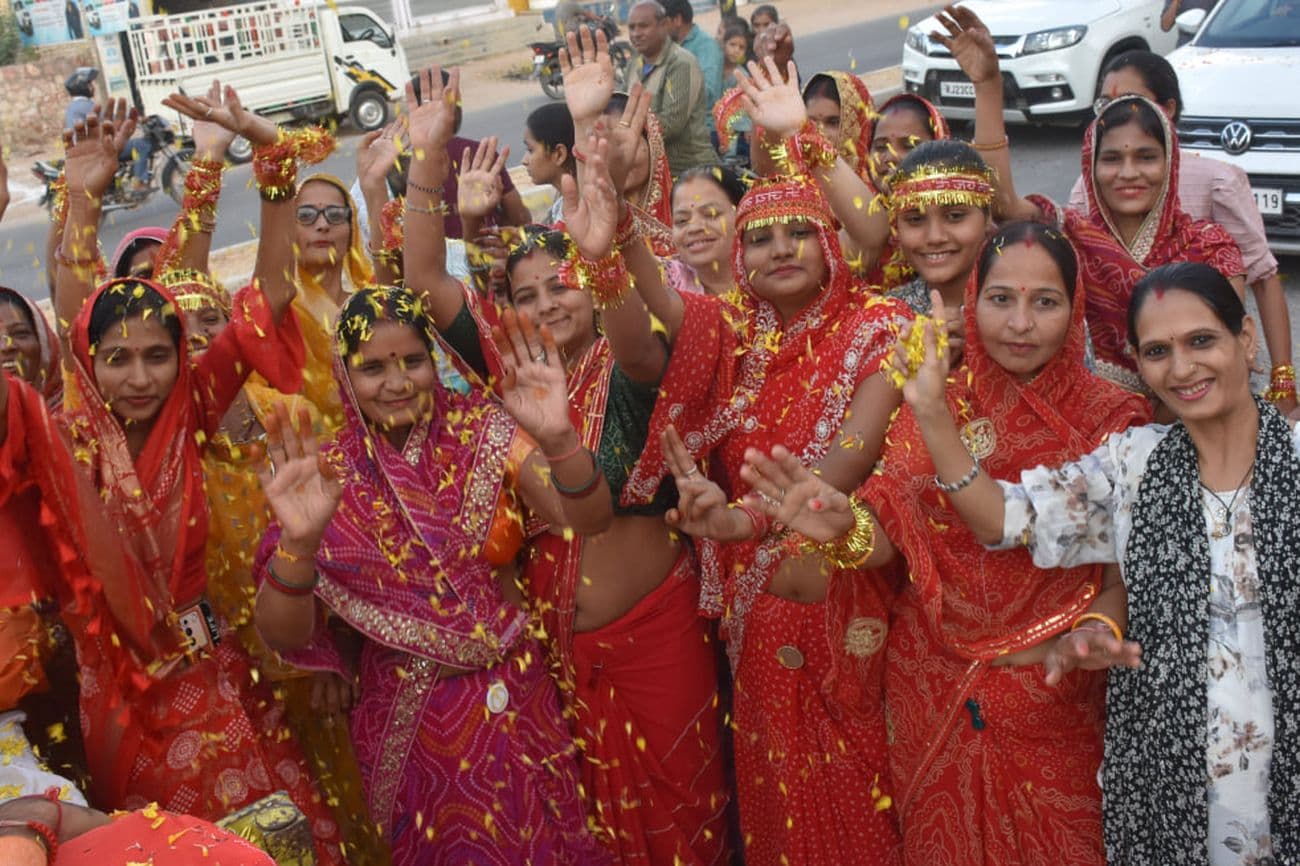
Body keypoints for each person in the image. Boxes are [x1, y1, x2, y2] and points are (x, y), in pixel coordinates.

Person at [740, 222, 1152, 865]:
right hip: (931, 683)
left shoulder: (1114, 418)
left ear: (1074, 313)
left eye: (1044, 302)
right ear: (974, 300)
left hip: (1055, 685)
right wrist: (842, 531)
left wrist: (1098, 622)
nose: (1019, 322)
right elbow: (891, 536)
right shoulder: (938, 398)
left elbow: (1129, 564)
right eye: (1000, 299)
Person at [1, 90, 343, 860]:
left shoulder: (192, 408)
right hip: (117, 693)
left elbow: (274, 293)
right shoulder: (66, 436)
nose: (140, 377)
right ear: (88, 363)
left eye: (159, 354)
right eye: (117, 358)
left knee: (271, 839)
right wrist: (83, 202)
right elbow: (74, 296)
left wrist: (269, 160)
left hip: (212, 672)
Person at [403, 65, 732, 866]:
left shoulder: (631, 366)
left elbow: (629, 329)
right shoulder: (512, 368)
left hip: (658, 632)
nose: (550, 304)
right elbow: (422, 280)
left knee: (690, 812)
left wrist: (603, 234)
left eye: (565, 285)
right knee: (600, 826)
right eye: (530, 292)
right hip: (561, 647)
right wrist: (425, 163)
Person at [888, 261, 1299, 865]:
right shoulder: (1133, 465)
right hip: (1165, 792)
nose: (1181, 368)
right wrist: (931, 412)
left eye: (1202, 341)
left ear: (1246, 339)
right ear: (1136, 360)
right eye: (1158, 350)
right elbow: (1003, 518)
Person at [251, 287, 615, 866]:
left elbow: (586, 517)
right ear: (344, 376)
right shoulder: (326, 475)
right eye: (372, 368)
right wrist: (298, 544)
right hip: (411, 722)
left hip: (521, 697)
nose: (397, 383)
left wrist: (559, 439)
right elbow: (285, 634)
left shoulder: (486, 430)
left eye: (412, 361)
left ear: (433, 360)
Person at [619, 172, 910, 866]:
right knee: (780, 799)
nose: (781, 250)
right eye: (759, 238)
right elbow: (655, 305)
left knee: (865, 792)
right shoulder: (733, 333)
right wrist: (623, 236)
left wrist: (745, 521)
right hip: (758, 620)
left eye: (800, 232)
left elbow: (850, 457)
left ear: (832, 242)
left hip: (851, 597)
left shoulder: (884, 326)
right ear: (737, 254)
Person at [935, 5, 1244, 396]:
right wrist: (988, 86)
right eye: (1112, 159)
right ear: (1090, 166)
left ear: (1171, 161)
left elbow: (1228, 353)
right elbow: (1002, 205)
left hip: (1192, 414)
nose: (1129, 173)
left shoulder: (1210, 246)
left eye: (1146, 157)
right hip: (1090, 426)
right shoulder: (1071, 236)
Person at [1069, 50, 1294, 412]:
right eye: (1106, 103)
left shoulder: (1216, 182)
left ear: (1166, 109)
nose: (1128, 172)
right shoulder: (1094, 183)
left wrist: (1283, 383)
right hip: (1103, 408)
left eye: (1130, 100)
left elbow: (1263, 279)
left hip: (1190, 392)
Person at [622, 1, 718, 174]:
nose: (636, 34)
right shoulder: (634, 63)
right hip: (651, 170)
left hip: (688, 171)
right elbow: (621, 105)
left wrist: (623, 128)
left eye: (643, 26)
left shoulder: (681, 62)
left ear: (664, 24)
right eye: (632, 27)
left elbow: (671, 124)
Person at [63, 67, 153, 192]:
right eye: (89, 84)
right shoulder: (85, 105)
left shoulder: (74, 106)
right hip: (96, 150)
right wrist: (136, 119)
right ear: (82, 87)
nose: (92, 87)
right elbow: (109, 119)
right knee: (140, 145)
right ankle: (139, 182)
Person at [667, 164, 745, 296]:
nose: (694, 228)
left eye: (711, 214)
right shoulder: (663, 283)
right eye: (682, 220)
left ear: (742, 216)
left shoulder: (772, 274)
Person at [521, 102, 577, 225]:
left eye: (531, 150)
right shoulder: (559, 205)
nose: (524, 161)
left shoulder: (582, 211)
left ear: (559, 154)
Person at [663, 0, 724, 108]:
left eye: (662, 22)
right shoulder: (669, 45)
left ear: (677, 20)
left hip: (702, 122)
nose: (659, 28)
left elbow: (707, 92)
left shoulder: (706, 46)